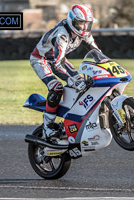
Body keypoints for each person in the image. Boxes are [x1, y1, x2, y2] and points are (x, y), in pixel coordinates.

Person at [30, 4, 101, 139]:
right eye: (81, 23)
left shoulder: (84, 33)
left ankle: (73, 118)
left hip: (58, 58)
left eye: (87, 23)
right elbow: (57, 65)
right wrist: (71, 80)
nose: (84, 27)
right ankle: (48, 126)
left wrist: (108, 65)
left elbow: (96, 53)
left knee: (82, 83)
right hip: (41, 59)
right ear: (72, 21)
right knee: (57, 87)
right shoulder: (62, 34)